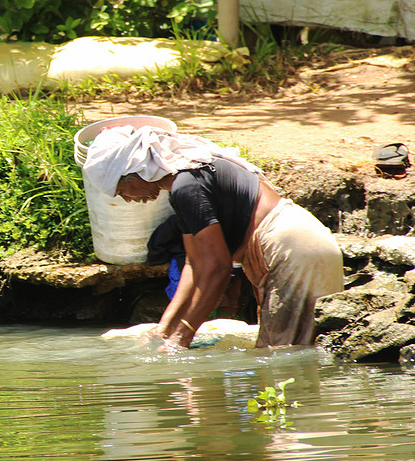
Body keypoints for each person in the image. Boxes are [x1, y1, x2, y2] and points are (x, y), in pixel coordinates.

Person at [84, 124, 344, 349]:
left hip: (289, 251)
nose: (128, 199)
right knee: (294, 352)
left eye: (121, 190)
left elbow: (218, 268)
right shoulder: (184, 183)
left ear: (136, 170)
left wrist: (182, 336)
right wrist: (164, 328)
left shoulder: (187, 186)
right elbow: (194, 264)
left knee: (283, 358)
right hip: (303, 245)